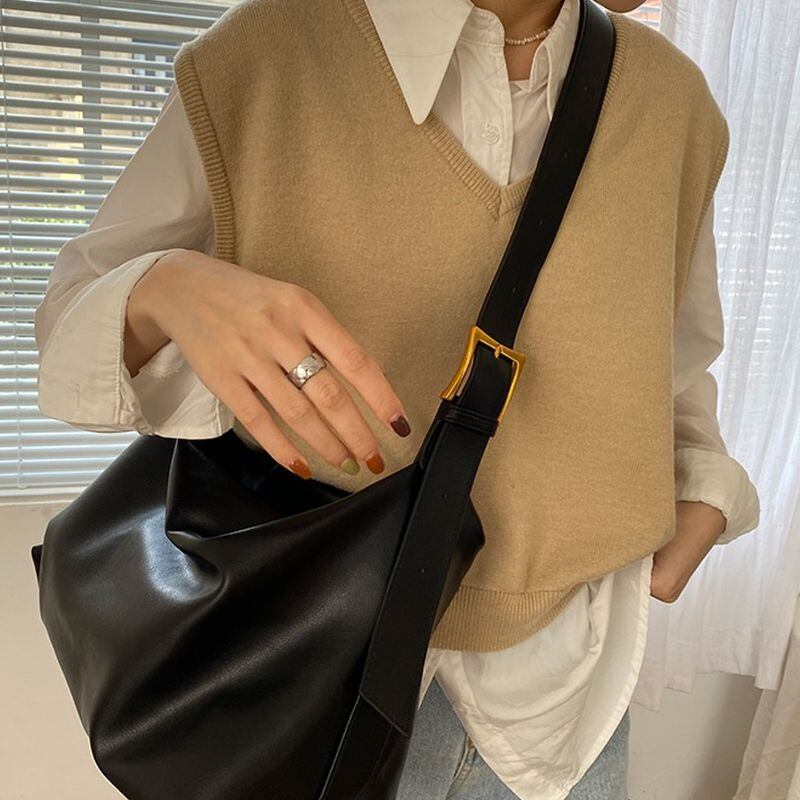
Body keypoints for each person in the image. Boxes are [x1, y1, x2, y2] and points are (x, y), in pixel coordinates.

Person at [34, 0, 760, 798]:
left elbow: (669, 356)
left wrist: (706, 486)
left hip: (572, 689)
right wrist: (169, 286)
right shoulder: (265, 55)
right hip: (308, 670)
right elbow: (66, 323)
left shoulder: (673, 103)